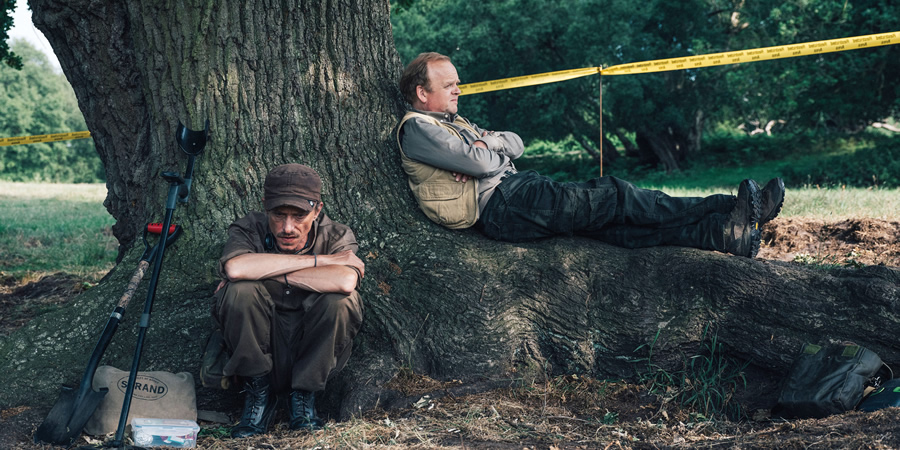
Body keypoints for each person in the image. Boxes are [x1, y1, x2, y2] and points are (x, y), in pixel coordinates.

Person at [396, 52, 785, 257]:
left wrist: (488, 144)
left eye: (458, 84)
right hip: (502, 206)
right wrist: (485, 153)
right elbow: (483, 163)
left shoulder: (454, 121)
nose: (458, 90)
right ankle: (729, 205)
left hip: (517, 192)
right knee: (613, 195)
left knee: (615, 229)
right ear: (420, 92)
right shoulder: (418, 130)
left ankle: (722, 232)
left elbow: (515, 143)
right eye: (448, 85)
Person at [213, 163, 365, 438]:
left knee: (341, 301)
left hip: (312, 347)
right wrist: (322, 262)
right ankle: (258, 396)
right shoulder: (249, 228)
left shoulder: (337, 235)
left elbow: (344, 282)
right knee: (240, 291)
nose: (287, 228)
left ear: (317, 210)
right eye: (278, 215)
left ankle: (303, 398)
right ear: (265, 207)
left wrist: (264, 272)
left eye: (299, 216)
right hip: (258, 345)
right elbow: (236, 270)